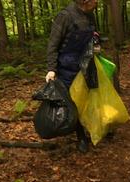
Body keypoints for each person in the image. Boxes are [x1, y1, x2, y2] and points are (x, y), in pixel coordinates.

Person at [45, 0, 100, 153]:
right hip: (66, 68)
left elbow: (93, 36)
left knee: (88, 98)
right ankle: (80, 135)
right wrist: (51, 69)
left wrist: (96, 44)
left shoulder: (91, 16)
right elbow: (52, 45)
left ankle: (92, 127)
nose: (97, 2)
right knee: (74, 102)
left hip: (86, 64)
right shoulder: (65, 16)